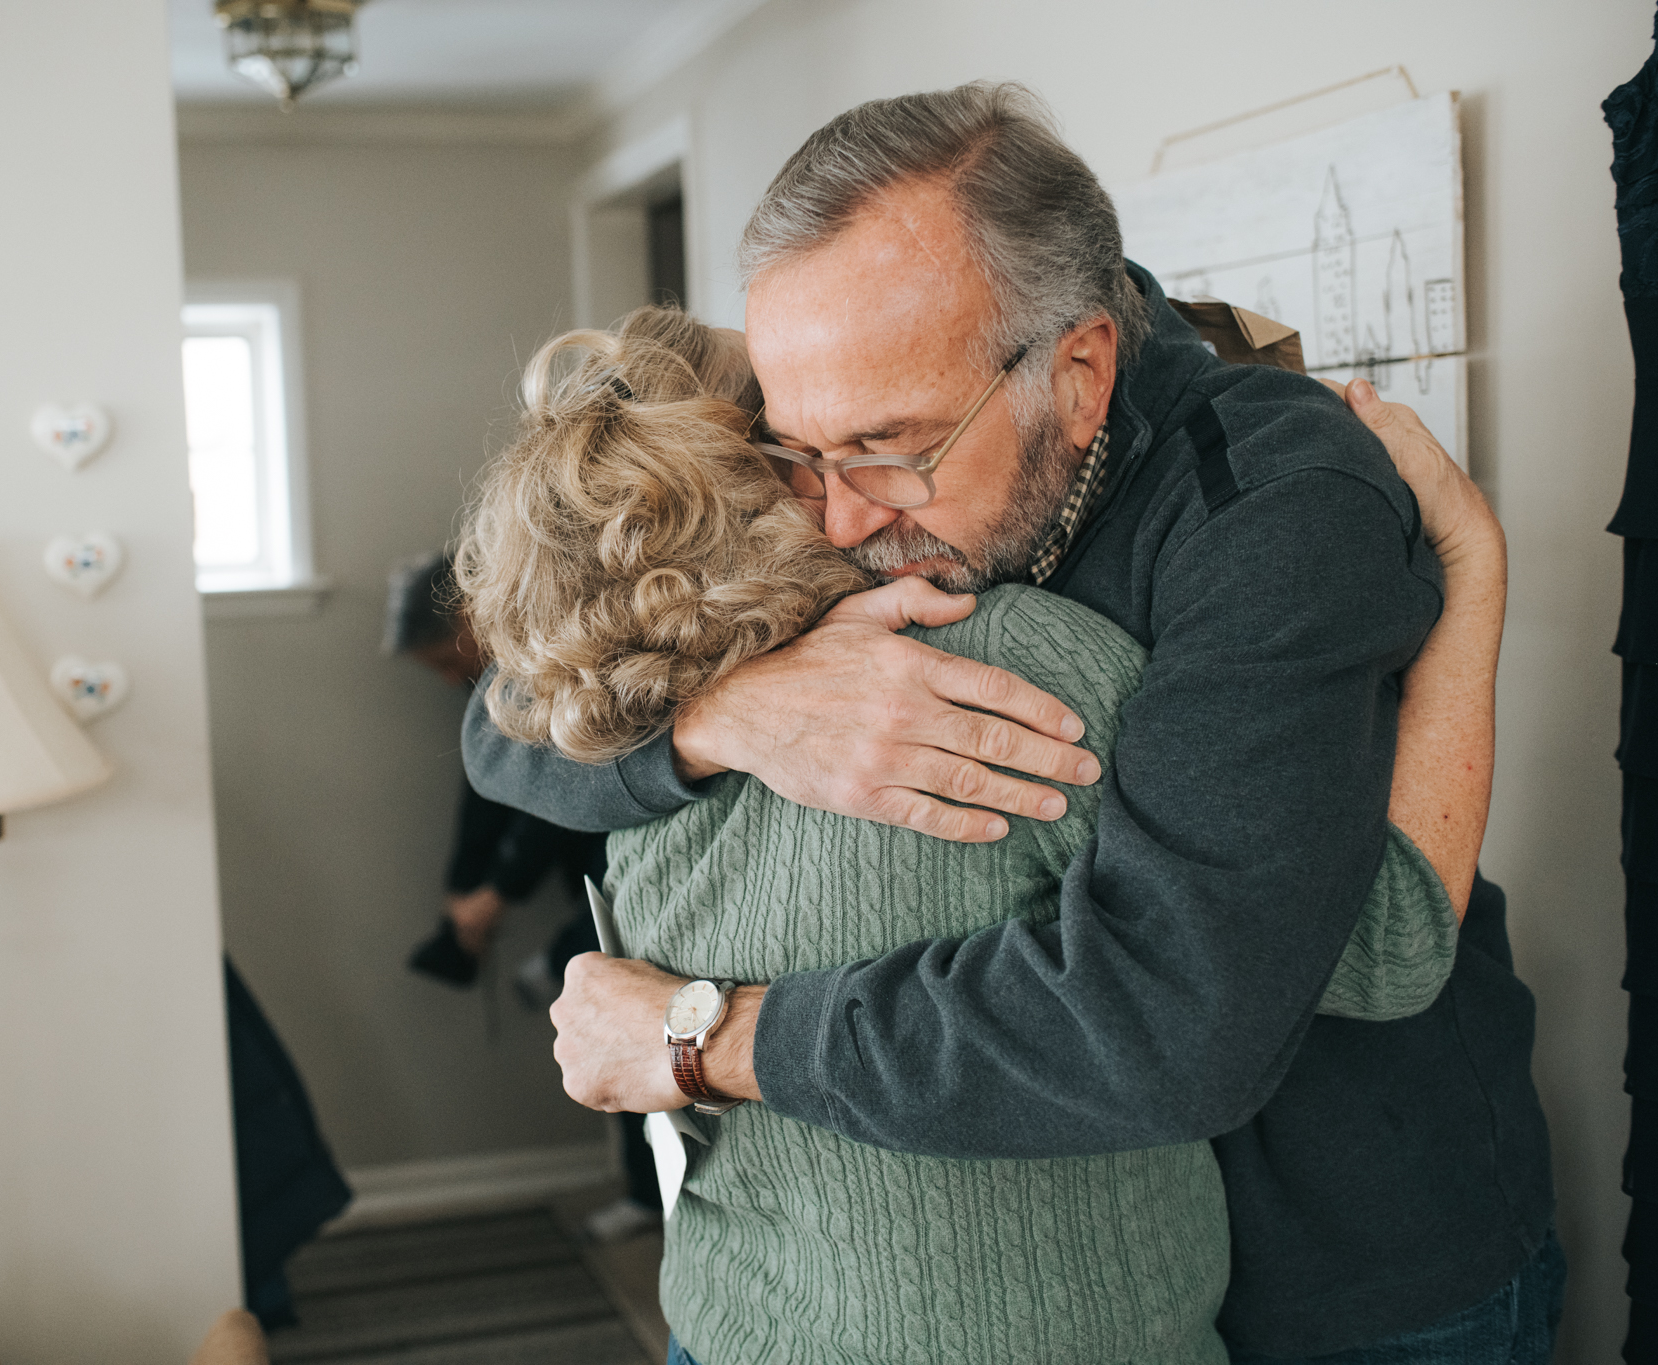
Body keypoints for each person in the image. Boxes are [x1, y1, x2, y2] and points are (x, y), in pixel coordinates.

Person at [464, 85, 1558, 1362]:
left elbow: (1191, 1007)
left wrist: (699, 1034)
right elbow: (508, 731)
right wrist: (723, 715)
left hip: (1343, 1259)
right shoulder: (859, 404)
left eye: (887, 449)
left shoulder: (1272, 501)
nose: (833, 523)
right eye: (794, 450)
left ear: (1079, 374)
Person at [383, 554, 659, 1241]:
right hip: (581, 865)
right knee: (617, 1015)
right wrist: (462, 882)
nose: (453, 680)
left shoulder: (563, 647)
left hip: (622, 836)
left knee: (635, 994)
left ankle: (563, 958)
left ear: (474, 616)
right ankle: (647, 1192)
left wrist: (498, 895)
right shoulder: (492, 688)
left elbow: (552, 794)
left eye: (449, 661)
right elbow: (484, 788)